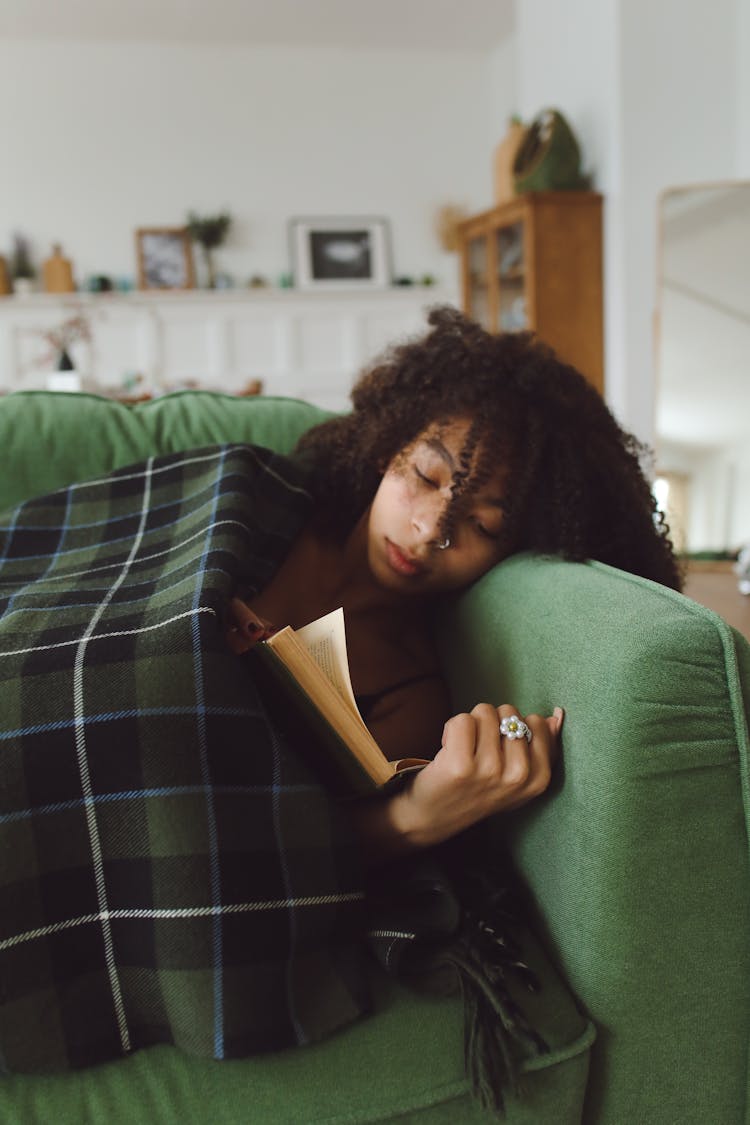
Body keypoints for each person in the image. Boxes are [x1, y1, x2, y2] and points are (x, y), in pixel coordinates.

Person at [226, 304, 681, 862]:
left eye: (484, 525)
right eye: (425, 476)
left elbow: (281, 843)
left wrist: (417, 816)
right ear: (388, 444)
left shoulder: (412, 697)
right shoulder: (260, 503)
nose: (429, 530)